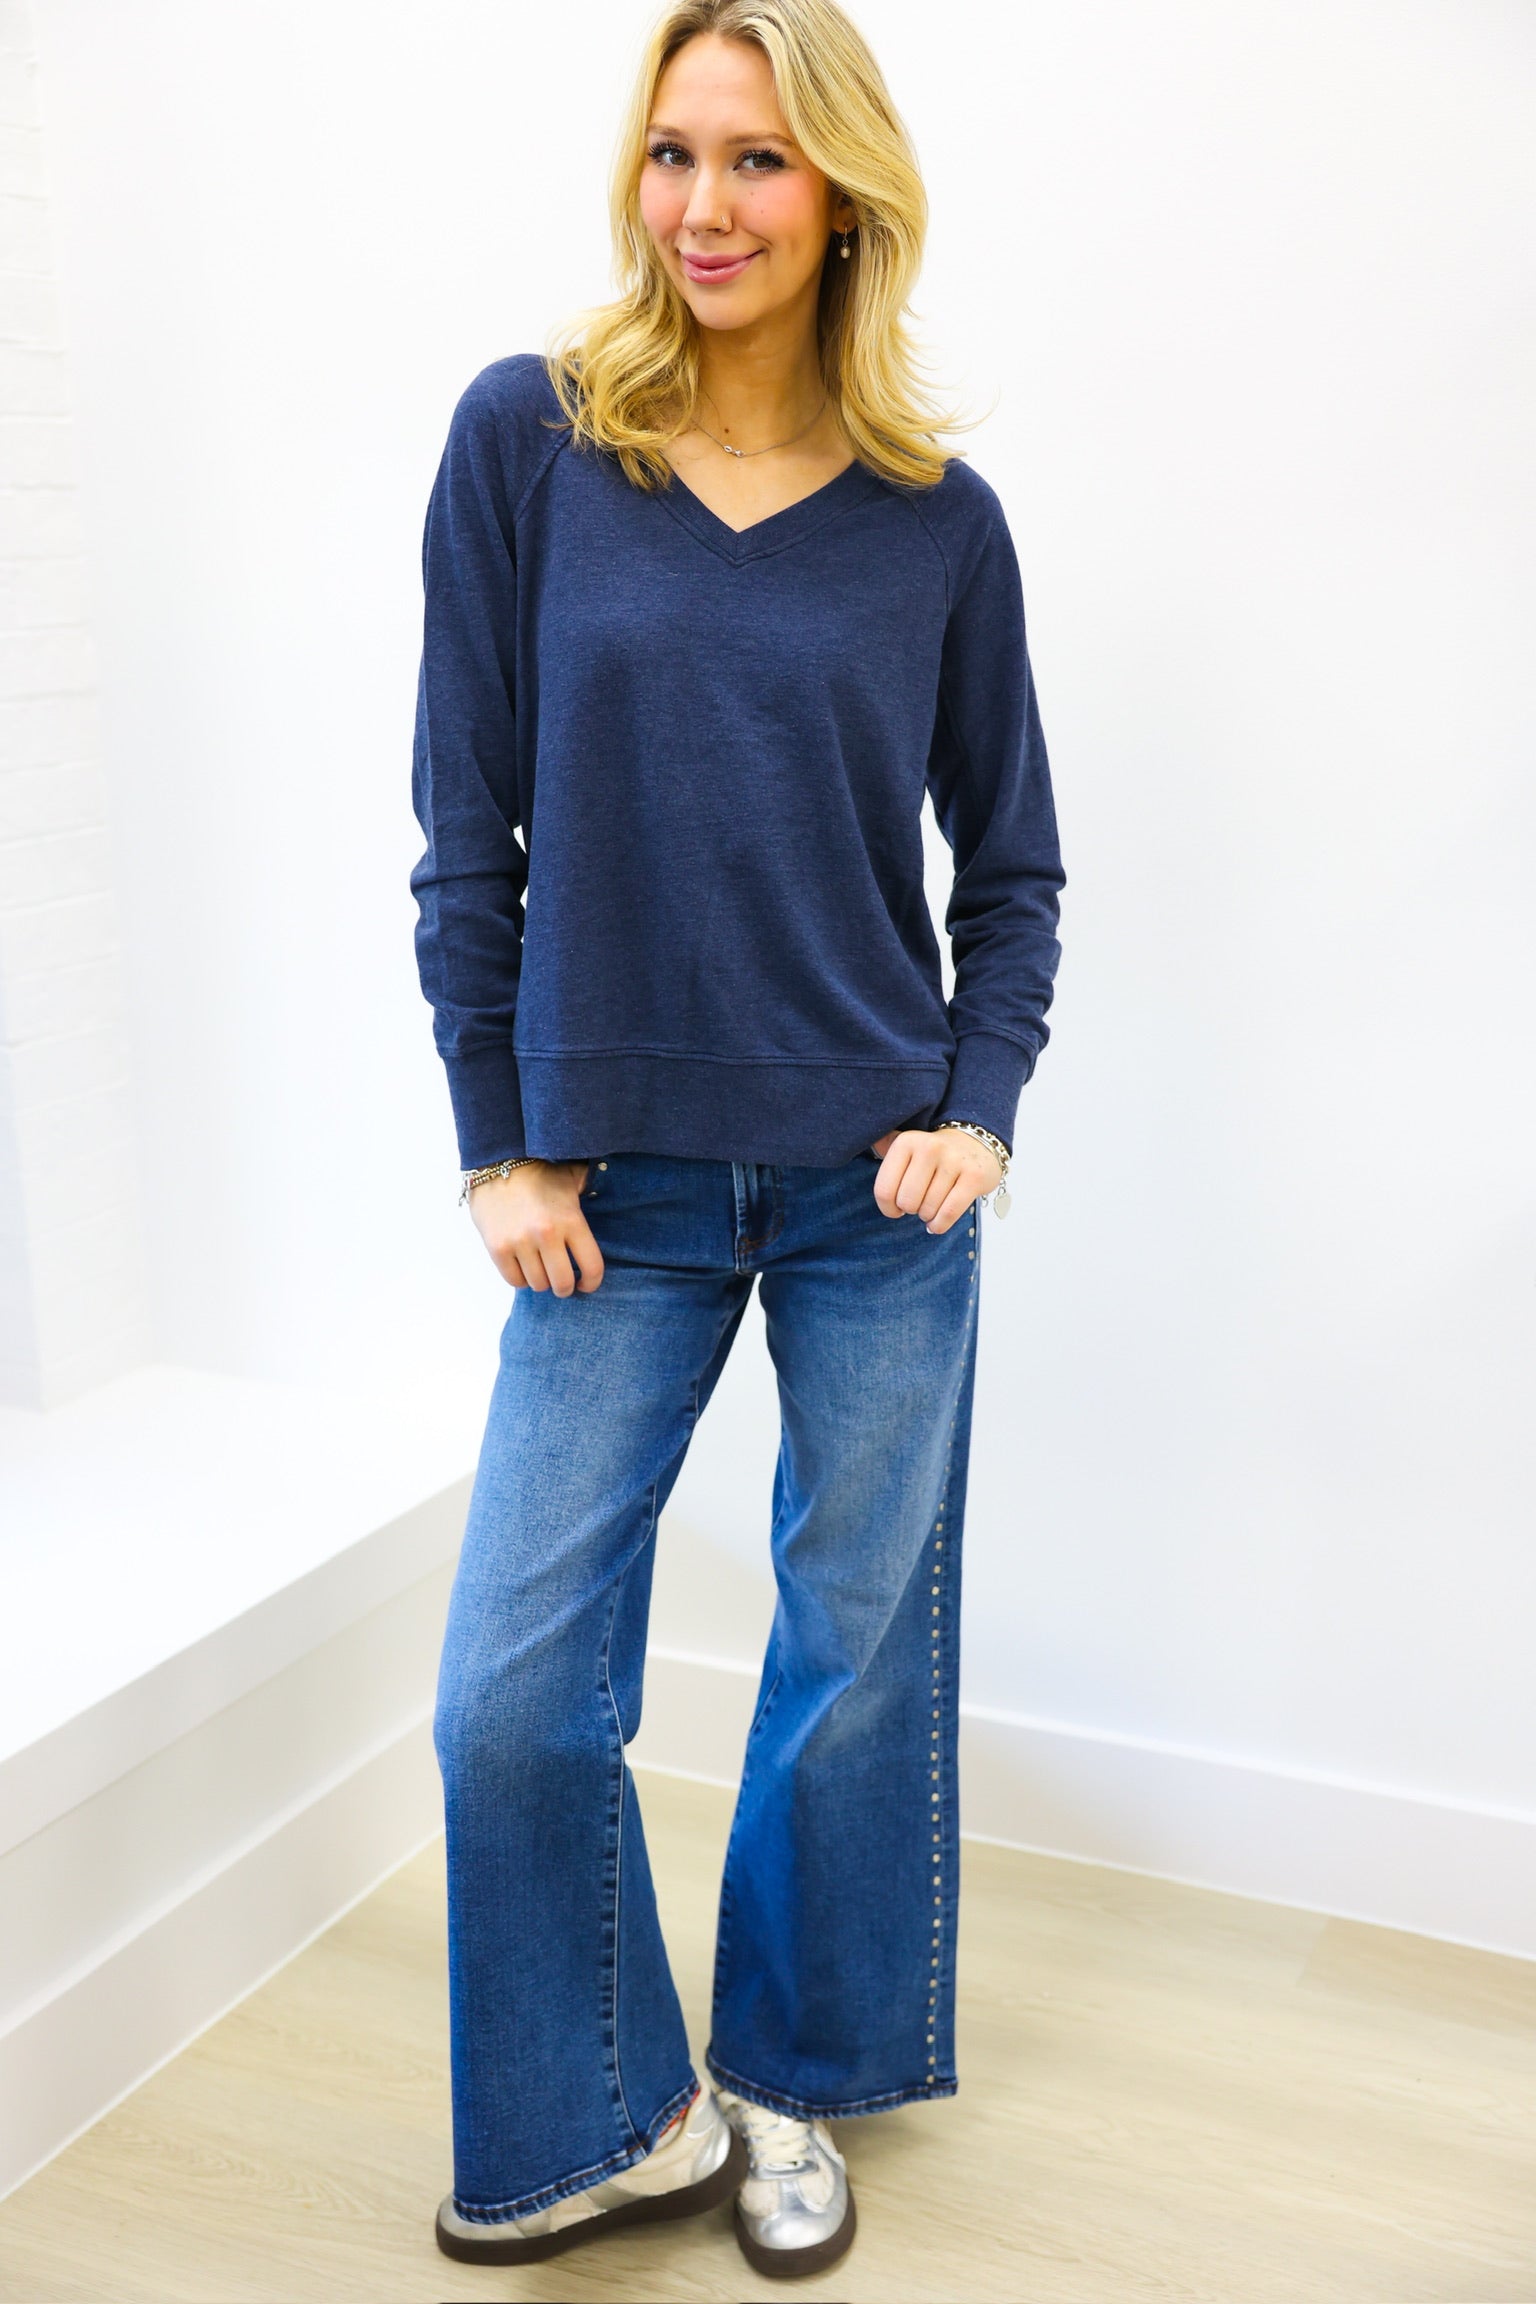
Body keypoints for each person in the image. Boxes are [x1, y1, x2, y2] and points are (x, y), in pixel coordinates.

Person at [408, 0, 1064, 2278]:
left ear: (846, 194)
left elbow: (1015, 872)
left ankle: (789, 2078)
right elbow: (460, 830)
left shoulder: (935, 524)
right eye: (676, 155)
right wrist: (502, 1138)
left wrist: (978, 1107)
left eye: (759, 163)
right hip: (615, 1194)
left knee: (854, 1656)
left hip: (881, 1186)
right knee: (509, 1696)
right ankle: (624, 2115)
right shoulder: (532, 443)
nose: (704, 206)